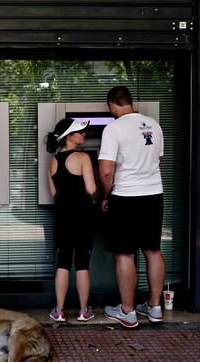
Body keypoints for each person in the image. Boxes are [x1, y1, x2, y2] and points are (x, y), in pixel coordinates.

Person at [98, 86, 166, 328]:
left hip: (126, 196)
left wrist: (106, 195)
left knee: (125, 254)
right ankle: (155, 307)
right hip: (153, 194)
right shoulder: (154, 125)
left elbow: (106, 170)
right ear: (129, 101)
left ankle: (127, 311)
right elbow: (157, 159)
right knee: (153, 250)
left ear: (111, 105)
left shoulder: (114, 128)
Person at [45, 118, 96, 322]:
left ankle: (59, 310)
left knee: (63, 262)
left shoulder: (53, 161)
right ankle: (84, 311)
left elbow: (54, 193)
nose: (84, 135)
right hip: (83, 214)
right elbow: (91, 189)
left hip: (62, 215)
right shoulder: (83, 157)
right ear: (70, 136)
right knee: (83, 263)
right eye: (81, 132)